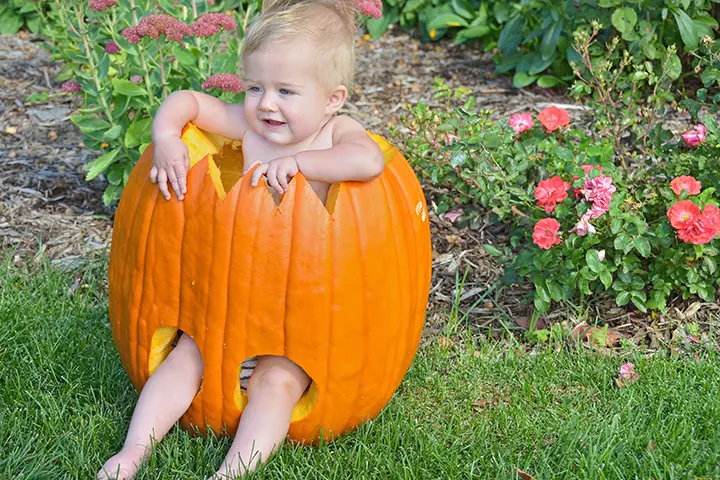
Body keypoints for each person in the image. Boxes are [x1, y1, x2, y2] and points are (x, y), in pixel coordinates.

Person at [97, 0, 384, 478]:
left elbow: (369, 162)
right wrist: (166, 133)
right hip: (228, 305)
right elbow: (188, 100)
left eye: (286, 91)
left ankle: (231, 472)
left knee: (277, 384)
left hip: (296, 323)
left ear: (333, 98)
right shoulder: (250, 128)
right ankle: (132, 451)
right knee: (184, 359)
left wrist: (302, 164)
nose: (266, 104)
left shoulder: (336, 133)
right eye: (255, 87)